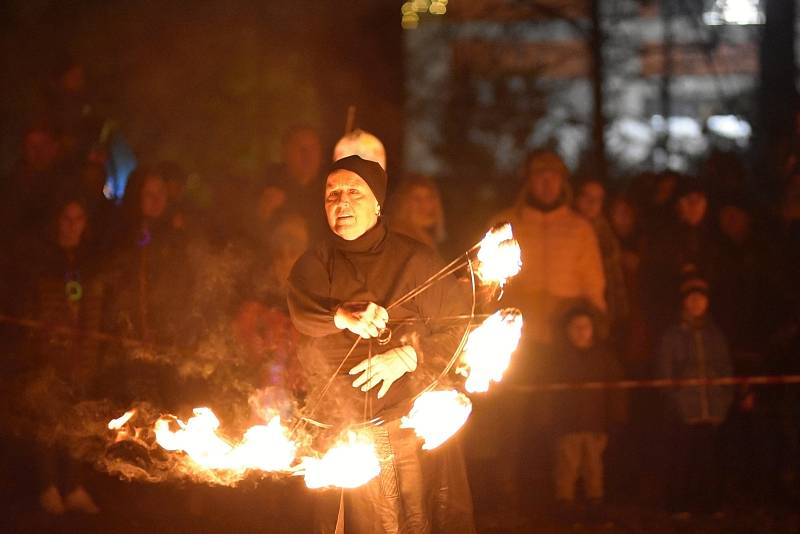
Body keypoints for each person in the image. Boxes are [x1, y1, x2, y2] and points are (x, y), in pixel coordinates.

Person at [288, 155, 474, 533]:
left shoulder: (416, 260)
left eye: (353, 192)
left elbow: (459, 331)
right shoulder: (315, 263)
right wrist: (341, 316)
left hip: (406, 428)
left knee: (410, 521)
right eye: (332, 194)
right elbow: (302, 311)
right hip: (340, 425)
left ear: (377, 202)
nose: (341, 202)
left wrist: (408, 357)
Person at [21, 197, 105, 515]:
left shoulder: (89, 262)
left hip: (80, 354)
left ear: (86, 223)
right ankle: (49, 487)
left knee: (77, 422)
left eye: (78, 218)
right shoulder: (43, 260)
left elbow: (94, 312)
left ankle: (74, 486)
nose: (72, 225)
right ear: (57, 221)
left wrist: (88, 355)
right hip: (48, 354)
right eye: (66, 218)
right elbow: (33, 310)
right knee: (48, 421)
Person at [655, 272, 733, 518]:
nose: (696, 303)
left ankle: (711, 505)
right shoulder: (673, 335)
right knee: (682, 461)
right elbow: (663, 372)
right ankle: (679, 505)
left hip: (710, 411)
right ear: (684, 302)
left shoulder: (715, 335)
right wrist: (674, 398)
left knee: (709, 462)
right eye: (692, 298)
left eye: (701, 298)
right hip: (683, 412)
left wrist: (723, 400)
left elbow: (726, 371)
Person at [550, 304, 626, 524]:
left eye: (585, 327)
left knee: (594, 468)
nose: (581, 331)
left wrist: (616, 419)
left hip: (595, 424)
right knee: (567, 468)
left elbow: (616, 391)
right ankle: (566, 510)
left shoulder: (603, 358)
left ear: (593, 329)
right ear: (567, 330)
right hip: (567, 425)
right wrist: (548, 421)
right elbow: (548, 394)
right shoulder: (558, 358)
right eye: (576, 327)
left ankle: (595, 509)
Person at [574, 178, 627, 340]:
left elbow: (614, 276)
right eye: (587, 197)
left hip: (605, 310)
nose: (592, 203)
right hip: (575, 311)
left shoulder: (608, 233)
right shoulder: (567, 230)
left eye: (597, 199)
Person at [386, 174, 446, 253]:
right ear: (403, 204)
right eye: (417, 199)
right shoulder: (400, 239)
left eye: (429, 197)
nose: (425, 205)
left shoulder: (426, 238)